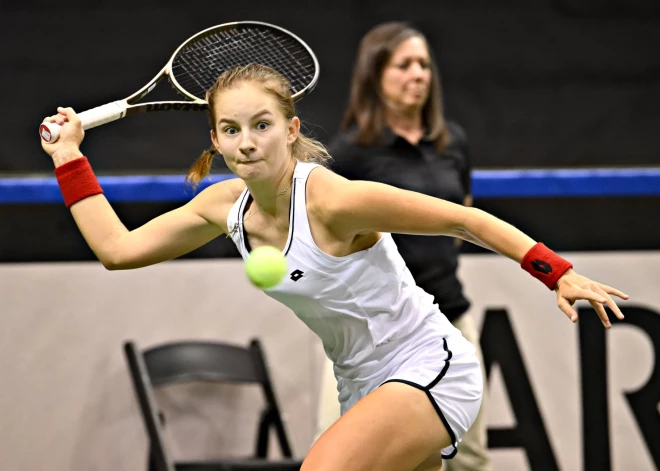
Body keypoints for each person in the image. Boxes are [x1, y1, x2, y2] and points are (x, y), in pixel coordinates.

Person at [41, 63, 627, 471]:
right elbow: (116, 250)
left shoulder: (334, 200)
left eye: (262, 125)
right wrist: (69, 157)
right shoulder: (223, 207)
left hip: (426, 366)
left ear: (292, 130)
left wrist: (558, 272)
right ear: (216, 140)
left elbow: (465, 220)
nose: (247, 142)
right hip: (360, 384)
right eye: (230, 129)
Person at [316, 22, 487, 470]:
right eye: (405, 64)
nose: (419, 75)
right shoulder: (349, 154)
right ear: (375, 75)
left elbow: (461, 217)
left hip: (448, 317)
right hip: (368, 334)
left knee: (468, 458)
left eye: (425, 65)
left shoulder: (453, 143)